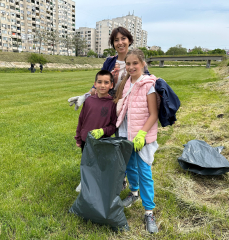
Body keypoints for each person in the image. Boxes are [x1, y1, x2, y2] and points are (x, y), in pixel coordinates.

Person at [114, 49, 159, 233]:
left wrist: (142, 134)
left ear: (143, 64)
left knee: (145, 172)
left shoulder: (149, 84)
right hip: (125, 133)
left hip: (142, 137)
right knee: (130, 166)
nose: (131, 67)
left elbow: (153, 113)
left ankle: (149, 212)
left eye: (135, 63)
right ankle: (134, 193)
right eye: (129, 63)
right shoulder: (126, 83)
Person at [68, 26, 150, 111]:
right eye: (116, 40)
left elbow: (147, 81)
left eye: (123, 38)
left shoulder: (137, 61)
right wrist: (86, 96)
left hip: (130, 107)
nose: (120, 42)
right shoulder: (109, 61)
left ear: (129, 41)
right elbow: (100, 82)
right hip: (109, 106)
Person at [74, 70, 117, 192]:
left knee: (99, 164)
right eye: (99, 82)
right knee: (86, 161)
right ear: (95, 84)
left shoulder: (113, 103)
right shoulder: (88, 100)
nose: (102, 85)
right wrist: (78, 137)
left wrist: (103, 131)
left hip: (101, 141)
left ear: (111, 85)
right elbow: (81, 120)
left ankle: (98, 185)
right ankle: (84, 182)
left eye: (106, 82)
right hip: (85, 139)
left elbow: (114, 125)